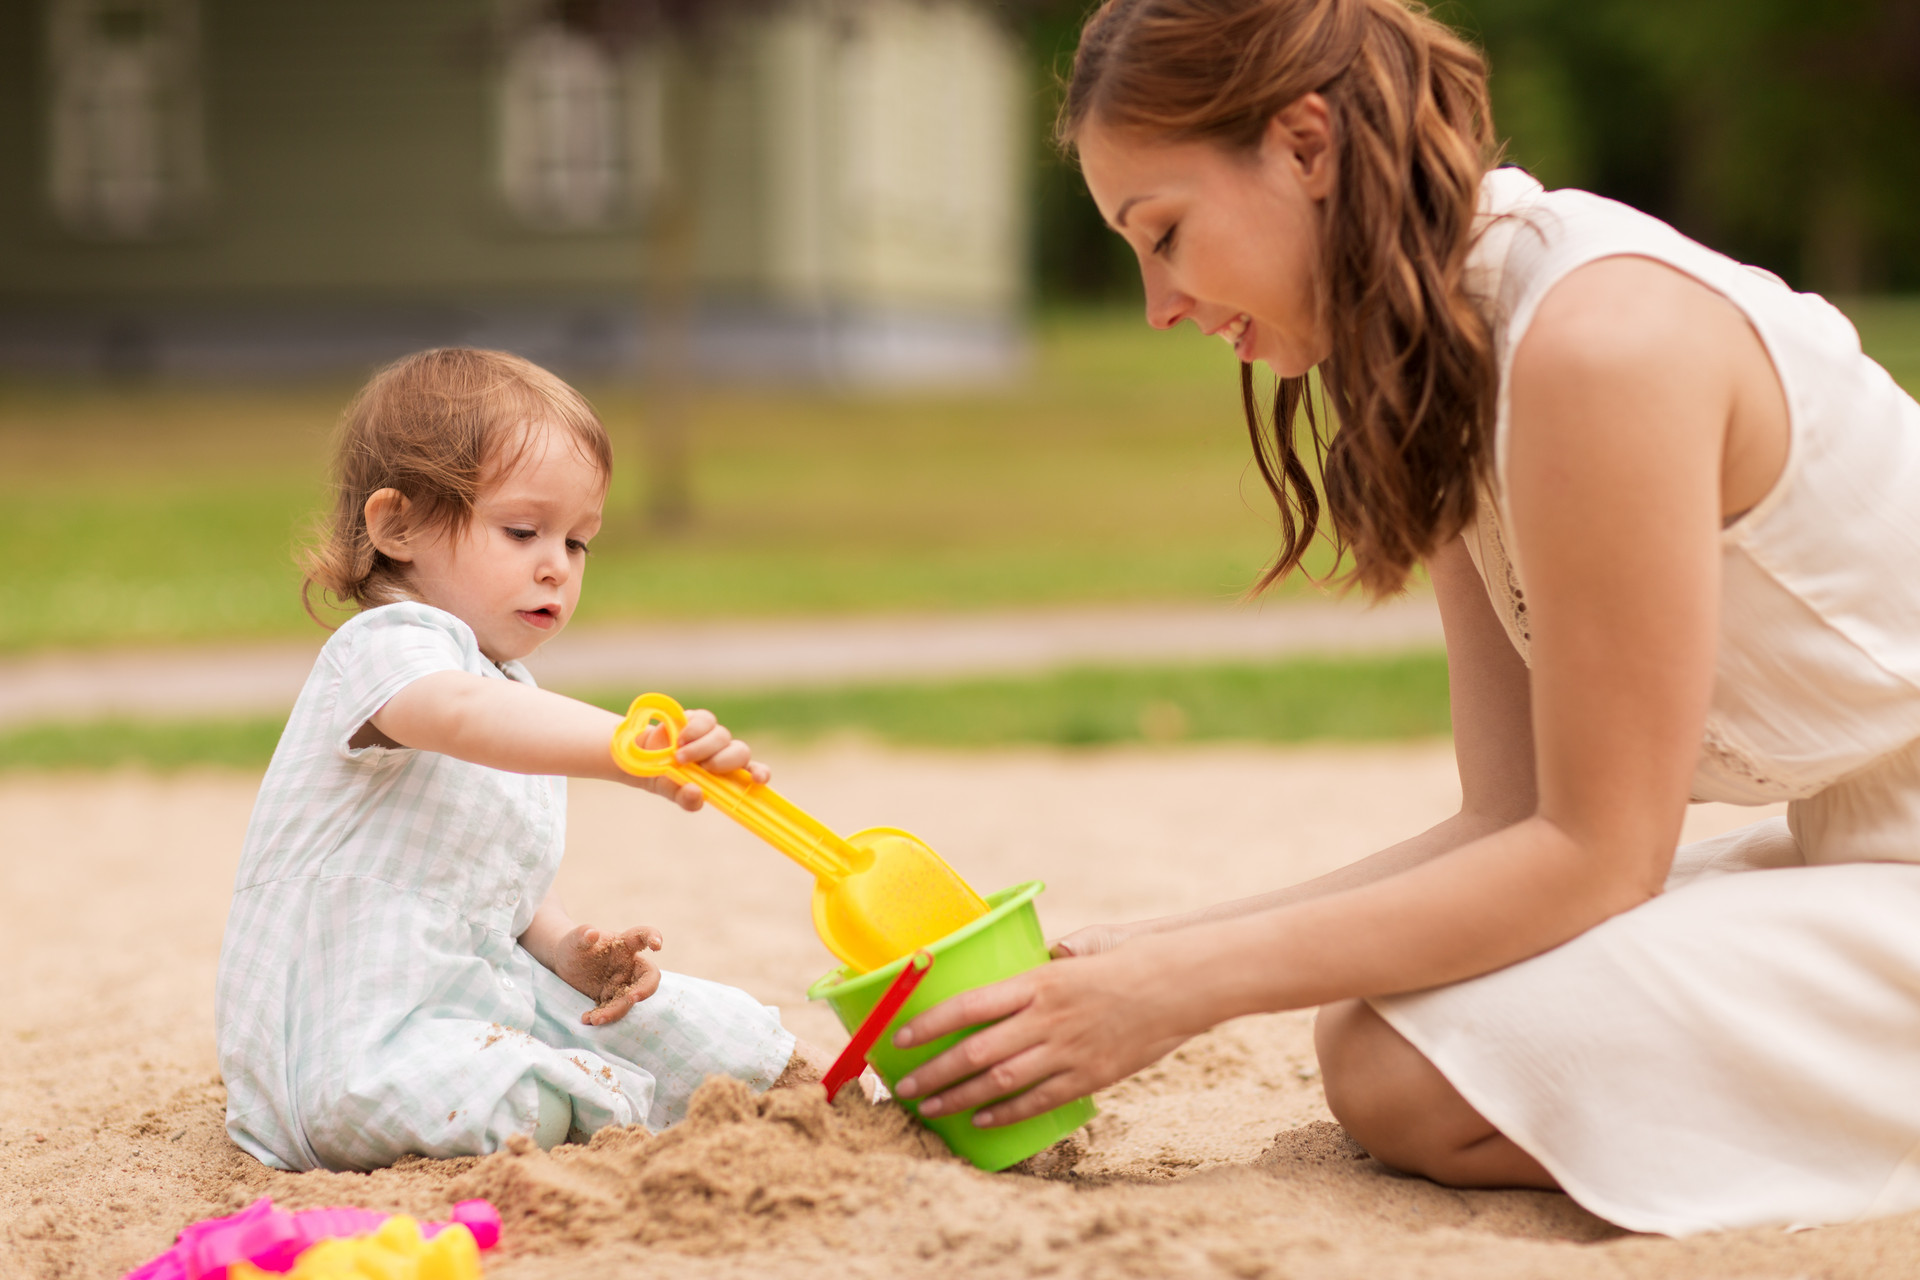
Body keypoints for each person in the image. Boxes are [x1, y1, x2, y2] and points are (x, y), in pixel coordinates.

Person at [889, 0, 1920, 1237]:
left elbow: (1599, 856)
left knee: (1403, 1065)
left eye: (1164, 233)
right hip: (1866, 848)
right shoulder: (1440, 361)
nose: (1158, 302)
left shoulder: (1597, 343)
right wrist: (1137, 954)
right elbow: (1511, 817)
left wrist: (1185, 988)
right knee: (1389, 1021)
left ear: (1305, 146)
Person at [217, 348, 832, 1172]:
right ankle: (605, 1112)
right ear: (398, 527)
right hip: (348, 1045)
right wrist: (630, 751)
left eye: (578, 543)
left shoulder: (509, 688)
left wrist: (566, 946)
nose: (556, 566)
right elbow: (456, 713)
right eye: (521, 532)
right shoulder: (385, 648)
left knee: (696, 1029)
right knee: (531, 1095)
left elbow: (490, 876)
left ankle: (807, 1090)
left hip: (467, 997)